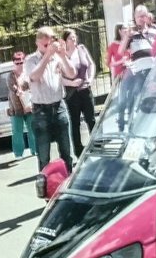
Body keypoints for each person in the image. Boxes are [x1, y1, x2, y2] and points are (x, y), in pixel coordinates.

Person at [25, 27, 77, 174]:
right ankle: (46, 184)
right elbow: (34, 77)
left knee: (66, 151)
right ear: (37, 43)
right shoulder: (31, 60)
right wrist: (47, 56)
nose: (49, 48)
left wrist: (63, 56)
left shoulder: (57, 58)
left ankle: (68, 179)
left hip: (59, 106)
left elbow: (72, 73)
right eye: (45, 45)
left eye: (50, 44)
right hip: (41, 110)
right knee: (43, 154)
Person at [62, 29, 96, 158]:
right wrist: (71, 83)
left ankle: (96, 146)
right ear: (65, 40)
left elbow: (91, 64)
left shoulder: (81, 49)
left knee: (91, 119)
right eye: (71, 38)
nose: (74, 40)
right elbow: (59, 75)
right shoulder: (62, 55)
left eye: (74, 37)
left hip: (85, 90)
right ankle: (78, 150)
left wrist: (91, 78)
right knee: (75, 123)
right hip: (72, 94)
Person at [7, 51, 34, 162]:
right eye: (17, 63)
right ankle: (18, 153)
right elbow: (12, 86)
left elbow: (32, 84)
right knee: (17, 131)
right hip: (16, 108)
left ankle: (35, 150)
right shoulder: (10, 75)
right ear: (13, 63)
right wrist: (18, 90)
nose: (19, 65)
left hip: (29, 106)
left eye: (21, 62)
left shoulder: (28, 73)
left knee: (32, 129)